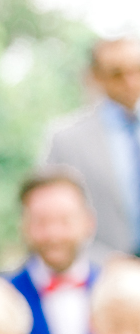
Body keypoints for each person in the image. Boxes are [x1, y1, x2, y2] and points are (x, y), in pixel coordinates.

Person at [44, 36, 140, 256]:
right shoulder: (67, 140)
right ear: (96, 77)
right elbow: (51, 209)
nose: (130, 82)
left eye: (137, 70)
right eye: (117, 74)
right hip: (104, 271)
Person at [7, 168, 100, 334]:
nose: (54, 235)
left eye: (64, 221)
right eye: (41, 222)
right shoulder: (4, 295)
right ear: (24, 226)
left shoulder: (117, 291)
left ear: (89, 222)